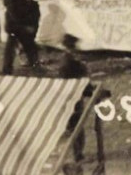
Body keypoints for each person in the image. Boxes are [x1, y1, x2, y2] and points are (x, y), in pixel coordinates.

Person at [57, 35, 93, 165]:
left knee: (73, 128)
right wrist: (89, 90)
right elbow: (81, 81)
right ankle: (78, 156)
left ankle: (75, 155)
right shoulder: (70, 63)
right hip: (73, 99)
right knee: (76, 128)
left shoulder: (66, 61)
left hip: (68, 98)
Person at [0, 0, 40, 74]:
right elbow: (13, 14)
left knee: (29, 46)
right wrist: (25, 27)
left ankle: (35, 65)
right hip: (14, 26)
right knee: (10, 49)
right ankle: (7, 70)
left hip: (22, 26)